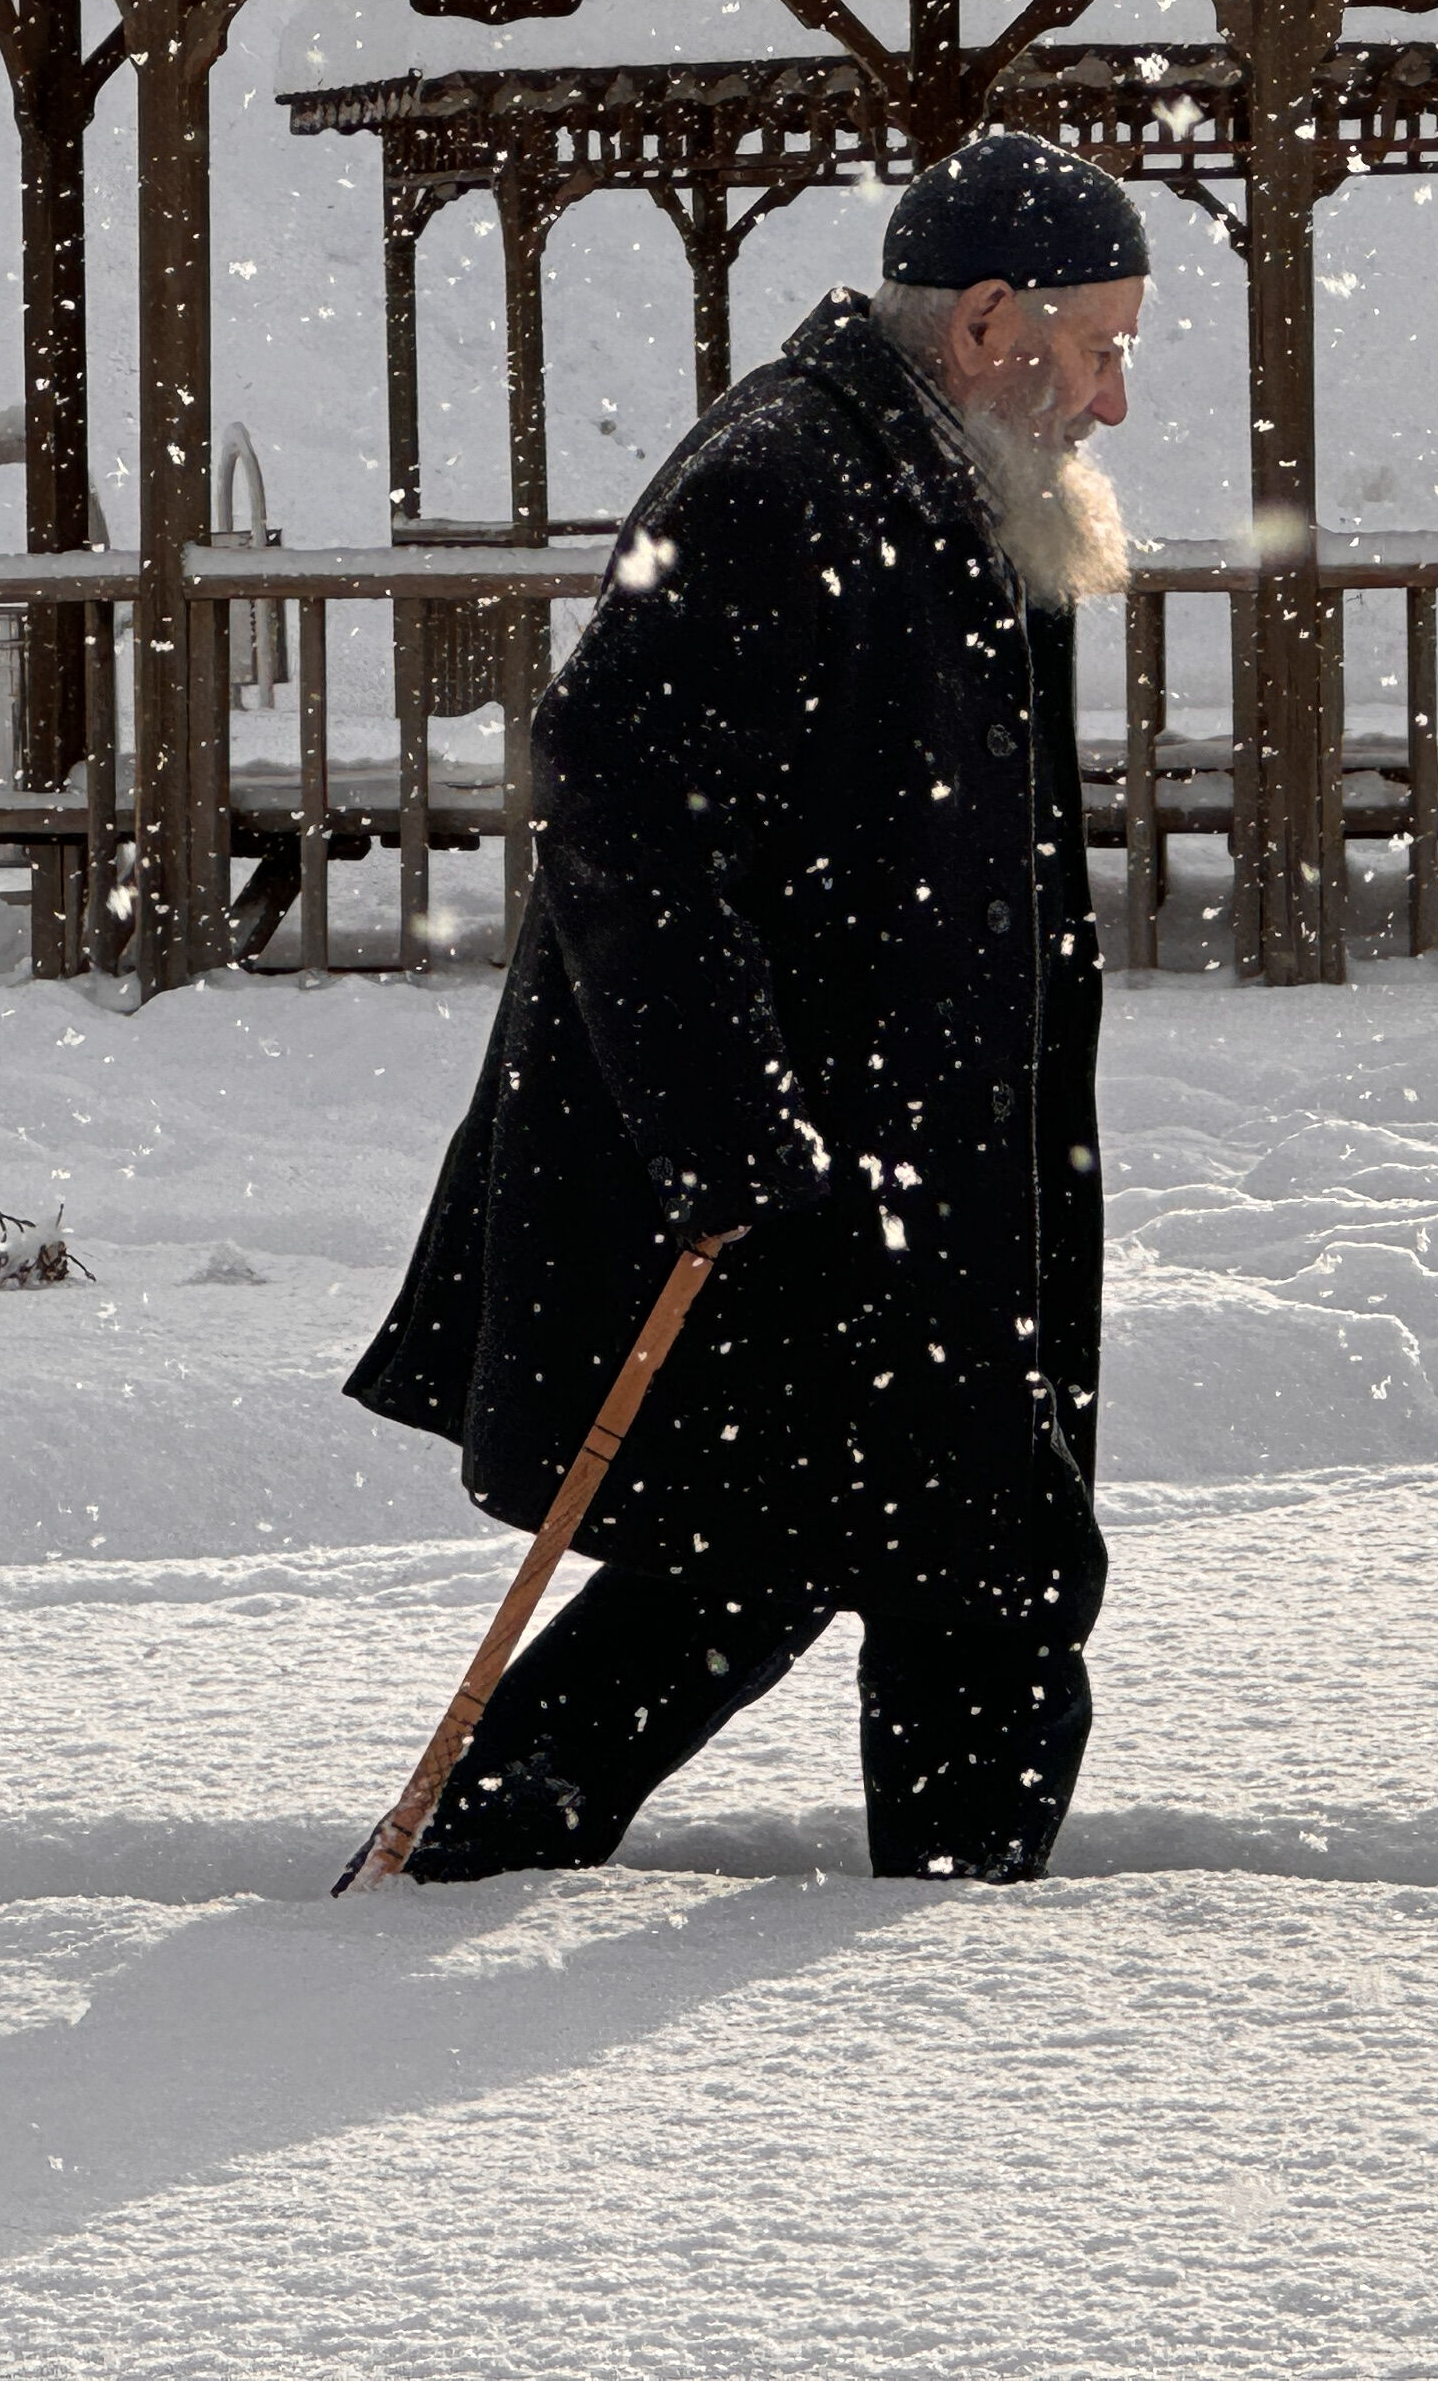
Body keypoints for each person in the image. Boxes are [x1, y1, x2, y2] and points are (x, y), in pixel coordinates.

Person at [348, 130, 1143, 1886]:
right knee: (837, 1557)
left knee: (879, 1555)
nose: (1114, 394)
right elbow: (614, 796)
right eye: (1098, 344)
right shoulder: (780, 475)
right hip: (799, 1173)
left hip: (918, 1165)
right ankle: (925, 1939)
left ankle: (930, 1927)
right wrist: (734, 1130)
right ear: (987, 321)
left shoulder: (962, 473)